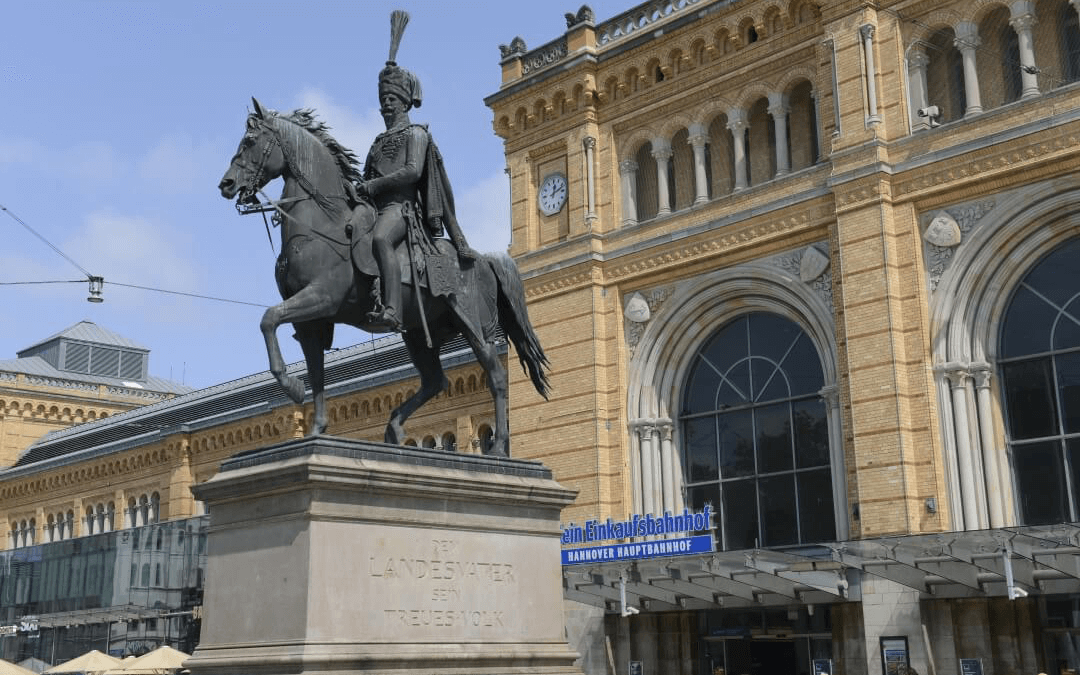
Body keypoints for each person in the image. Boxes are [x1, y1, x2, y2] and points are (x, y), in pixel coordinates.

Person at [356, 12, 476, 332]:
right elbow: (367, 176)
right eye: (383, 99)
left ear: (405, 103)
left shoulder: (416, 135)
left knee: (381, 238)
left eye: (392, 99)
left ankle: (393, 309)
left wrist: (375, 185)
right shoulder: (378, 141)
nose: (386, 105)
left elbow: (411, 172)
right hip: (374, 207)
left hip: (400, 209)